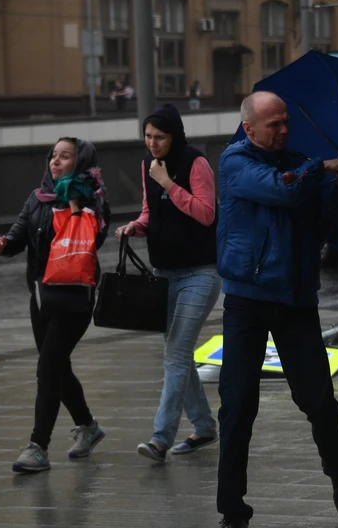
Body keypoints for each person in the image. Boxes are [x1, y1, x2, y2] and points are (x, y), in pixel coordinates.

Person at [215, 91, 338, 528]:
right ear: (249, 128)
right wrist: (320, 168)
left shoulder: (299, 162)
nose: (282, 130)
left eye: (284, 122)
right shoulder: (235, 162)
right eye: (272, 124)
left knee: (317, 399)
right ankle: (232, 508)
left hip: (296, 299)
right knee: (237, 404)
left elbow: (322, 227)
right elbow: (277, 191)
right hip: (246, 299)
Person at [0, 137, 111, 473]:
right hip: (41, 297)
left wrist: (74, 199)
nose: (55, 162)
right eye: (53, 156)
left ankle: (38, 447)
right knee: (57, 366)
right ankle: (88, 427)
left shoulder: (92, 197)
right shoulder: (37, 197)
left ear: (81, 162)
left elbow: (96, 235)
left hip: (75, 296)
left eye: (65, 157)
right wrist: (4, 245)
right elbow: (18, 235)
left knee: (47, 368)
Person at [115, 104, 222, 462]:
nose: (152, 143)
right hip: (165, 275)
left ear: (174, 135)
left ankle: (160, 438)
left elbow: (207, 214)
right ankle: (204, 427)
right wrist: (136, 226)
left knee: (175, 354)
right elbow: (151, 212)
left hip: (200, 273)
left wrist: (169, 184)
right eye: (147, 137)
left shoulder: (195, 163)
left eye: (159, 137)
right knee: (180, 354)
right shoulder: (147, 165)